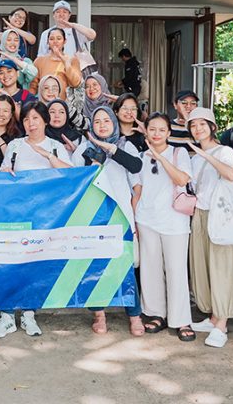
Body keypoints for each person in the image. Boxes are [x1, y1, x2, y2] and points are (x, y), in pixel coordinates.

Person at [0, 102, 72, 338]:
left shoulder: (55, 147)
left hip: (45, 217)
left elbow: (71, 175)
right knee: (9, 261)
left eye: (36, 118)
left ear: (45, 121)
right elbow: (2, 174)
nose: (31, 123)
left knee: (34, 265)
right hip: (15, 214)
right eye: (26, 119)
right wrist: (5, 173)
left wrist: (47, 155)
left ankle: (28, 315)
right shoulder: (15, 145)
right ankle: (6, 317)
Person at [70, 106, 144, 336]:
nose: (102, 125)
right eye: (97, 121)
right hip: (93, 215)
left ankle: (134, 315)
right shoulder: (84, 148)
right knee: (95, 268)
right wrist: (94, 159)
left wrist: (110, 150)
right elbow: (76, 180)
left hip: (120, 214)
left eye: (106, 121)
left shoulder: (125, 145)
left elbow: (136, 172)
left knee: (126, 269)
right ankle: (99, 315)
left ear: (113, 122)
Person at [129, 112, 195, 342]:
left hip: (175, 221)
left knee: (176, 270)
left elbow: (182, 180)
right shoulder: (139, 157)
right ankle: (156, 313)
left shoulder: (179, 153)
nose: (156, 133)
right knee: (150, 269)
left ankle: (181, 319)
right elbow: (137, 190)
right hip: (147, 219)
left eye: (161, 130)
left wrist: (160, 156)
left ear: (168, 132)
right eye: (152, 129)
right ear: (146, 130)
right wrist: (135, 221)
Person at [184, 108, 233, 348]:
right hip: (200, 213)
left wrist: (206, 155)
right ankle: (212, 317)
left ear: (212, 126)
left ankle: (222, 324)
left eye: (202, 124)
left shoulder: (224, 151)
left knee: (223, 268)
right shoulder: (193, 156)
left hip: (222, 215)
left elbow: (231, 175)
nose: (198, 129)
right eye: (193, 126)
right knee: (203, 266)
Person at [29, 28, 83, 101]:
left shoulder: (72, 60)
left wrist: (62, 59)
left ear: (65, 41)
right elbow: (33, 86)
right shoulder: (39, 61)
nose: (55, 42)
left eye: (59, 38)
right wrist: (27, 102)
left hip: (63, 105)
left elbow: (76, 83)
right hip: (44, 104)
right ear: (47, 42)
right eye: (51, 39)